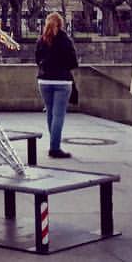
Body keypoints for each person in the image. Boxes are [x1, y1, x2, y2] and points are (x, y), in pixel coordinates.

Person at [35, 12, 79, 159]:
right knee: (58, 115)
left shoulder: (41, 40)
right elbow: (73, 62)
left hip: (44, 81)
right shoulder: (65, 40)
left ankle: (54, 143)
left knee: (50, 112)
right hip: (62, 81)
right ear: (61, 24)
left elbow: (37, 59)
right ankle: (54, 148)